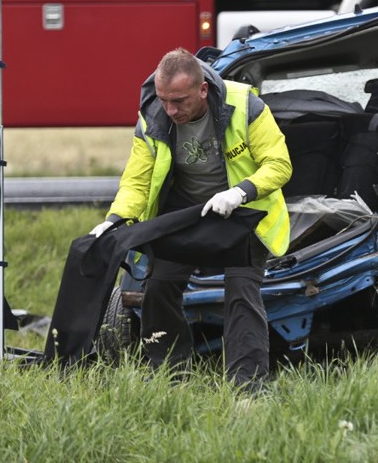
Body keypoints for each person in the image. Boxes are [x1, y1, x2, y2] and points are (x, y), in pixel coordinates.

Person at [90, 48, 292, 386]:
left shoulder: (246, 106)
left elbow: (279, 164)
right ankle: (171, 377)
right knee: (158, 288)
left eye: (180, 101)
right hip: (186, 213)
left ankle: (248, 387)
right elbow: (137, 181)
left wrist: (240, 192)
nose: (171, 110)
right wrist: (115, 219)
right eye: (164, 99)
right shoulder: (152, 117)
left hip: (241, 212)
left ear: (203, 90)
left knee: (242, 291)